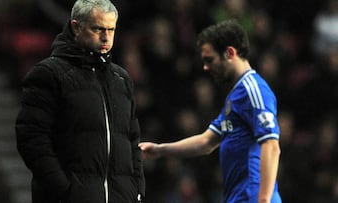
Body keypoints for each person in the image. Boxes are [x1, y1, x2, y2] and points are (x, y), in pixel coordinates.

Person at [15, 0, 145, 202]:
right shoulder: (49, 74)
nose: (106, 37)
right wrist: (64, 190)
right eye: (98, 29)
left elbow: (133, 141)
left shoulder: (122, 80)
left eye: (111, 30)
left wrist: (136, 190)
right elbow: (32, 140)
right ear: (76, 27)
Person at [139, 20, 281, 203]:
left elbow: (272, 145)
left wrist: (263, 200)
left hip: (252, 197)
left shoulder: (254, 89)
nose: (205, 67)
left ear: (230, 53)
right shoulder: (236, 95)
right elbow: (206, 142)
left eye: (210, 60)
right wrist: (160, 150)